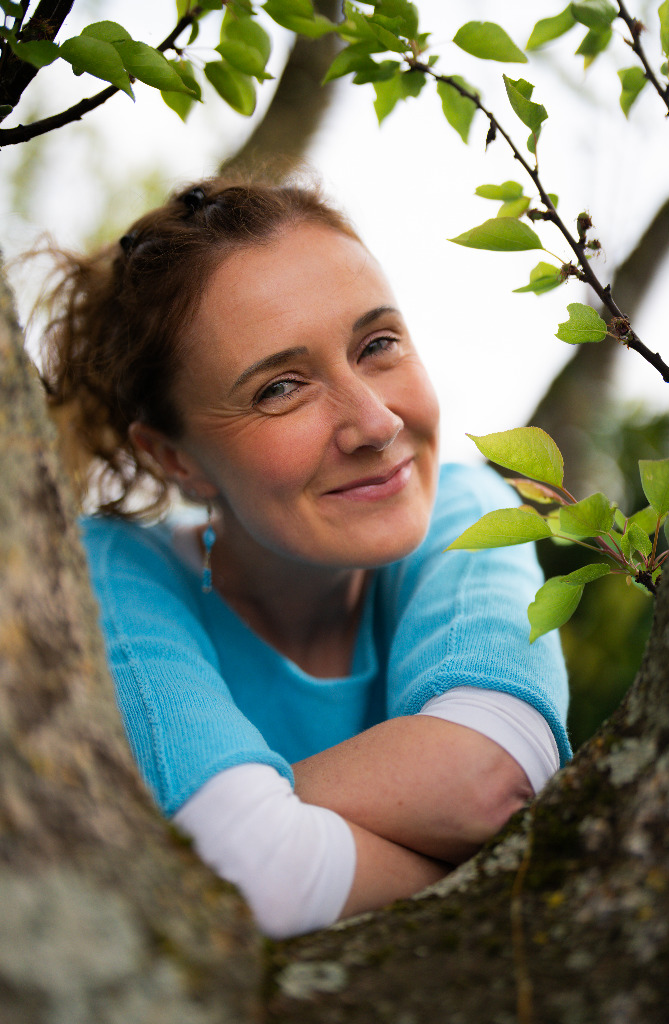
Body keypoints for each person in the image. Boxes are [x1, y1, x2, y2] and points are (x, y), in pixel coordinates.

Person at [40, 175, 571, 940]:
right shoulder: (113, 575)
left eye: (378, 344)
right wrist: (472, 880)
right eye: (281, 388)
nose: (376, 422)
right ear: (174, 460)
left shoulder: (468, 509)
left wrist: (260, 819)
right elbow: (253, 874)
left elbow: (493, 778)